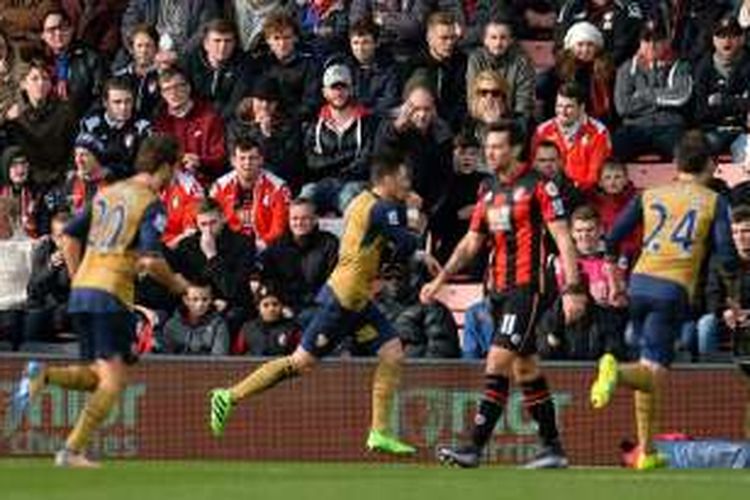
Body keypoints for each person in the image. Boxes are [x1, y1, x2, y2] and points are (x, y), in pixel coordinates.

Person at [208, 152, 438, 456]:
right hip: (343, 299)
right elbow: (406, 243)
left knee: (392, 353)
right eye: (404, 178)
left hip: (357, 298)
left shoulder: (361, 202)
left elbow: (381, 245)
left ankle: (379, 432)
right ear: (388, 179)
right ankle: (228, 396)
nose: (408, 184)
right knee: (300, 363)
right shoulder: (383, 208)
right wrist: (412, 223)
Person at [8, 135, 190, 468]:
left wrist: (78, 277)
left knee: (97, 375)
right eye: (174, 169)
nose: (174, 176)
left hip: (83, 292)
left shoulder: (107, 192)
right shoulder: (150, 202)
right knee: (114, 380)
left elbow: (69, 234)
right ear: (165, 167)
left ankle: (43, 375)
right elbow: (150, 259)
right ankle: (71, 450)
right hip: (111, 295)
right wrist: (177, 284)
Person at [420, 123, 587, 469]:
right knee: (525, 368)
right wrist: (441, 280)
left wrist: (573, 288)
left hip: (527, 289)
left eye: (498, 147)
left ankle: (473, 447)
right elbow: (471, 241)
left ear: (514, 149)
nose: (490, 153)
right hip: (495, 291)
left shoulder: (540, 186)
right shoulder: (488, 189)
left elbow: (564, 238)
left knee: (496, 361)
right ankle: (552, 448)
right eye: (488, 147)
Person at [590, 131, 739, 470]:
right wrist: (732, 296)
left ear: (676, 163)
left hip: (640, 283)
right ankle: (615, 371)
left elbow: (611, 238)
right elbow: (727, 256)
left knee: (650, 365)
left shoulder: (651, 193)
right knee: (652, 374)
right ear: (712, 166)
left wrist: (613, 277)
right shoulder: (714, 201)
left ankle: (646, 451)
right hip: (671, 291)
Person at [612, 19, 692, 161]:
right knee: (616, 146)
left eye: (657, 40)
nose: (652, 46)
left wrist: (642, 95)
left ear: (667, 42)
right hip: (635, 126)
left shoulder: (680, 65)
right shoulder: (626, 68)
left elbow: (681, 97)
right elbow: (623, 107)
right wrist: (662, 99)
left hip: (669, 126)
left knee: (685, 152)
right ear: (640, 43)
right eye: (647, 40)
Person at [302, 63, 375, 215]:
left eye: (343, 87)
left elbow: (365, 161)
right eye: (334, 88)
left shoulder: (368, 122)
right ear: (324, 92)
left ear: (351, 89)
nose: (339, 93)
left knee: (348, 195)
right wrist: (347, 156)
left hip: (356, 182)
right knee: (307, 193)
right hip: (325, 183)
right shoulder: (314, 125)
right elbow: (312, 162)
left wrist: (330, 163)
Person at [260, 197, 339, 322]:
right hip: (285, 307)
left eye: (305, 218)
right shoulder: (277, 246)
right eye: (294, 219)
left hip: (317, 306)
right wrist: (282, 305)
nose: (299, 223)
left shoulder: (330, 243)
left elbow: (333, 282)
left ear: (315, 219)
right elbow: (269, 280)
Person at [210, 137, 291, 248]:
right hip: (228, 247)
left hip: (266, 248)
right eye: (242, 158)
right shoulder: (219, 187)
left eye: (252, 158)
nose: (247, 163)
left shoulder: (279, 187)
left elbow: (279, 227)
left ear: (261, 160)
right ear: (233, 161)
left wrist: (262, 246)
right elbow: (212, 221)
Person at [153, 67, 227, 187]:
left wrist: (200, 161)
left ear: (188, 87)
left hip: (204, 185)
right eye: (167, 89)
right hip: (170, 185)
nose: (173, 93)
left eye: (178, 86)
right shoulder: (160, 122)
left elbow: (221, 158)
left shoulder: (209, 117)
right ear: (162, 94)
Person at [532, 82, 611, 192]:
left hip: (585, 197)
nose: (562, 112)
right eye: (559, 106)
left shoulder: (598, 132)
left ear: (581, 108)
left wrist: (572, 190)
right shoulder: (542, 131)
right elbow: (534, 170)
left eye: (569, 107)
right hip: (547, 195)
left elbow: (595, 176)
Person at [692, 15, 750, 156]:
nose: (727, 41)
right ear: (714, 40)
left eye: (732, 35)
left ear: (741, 38)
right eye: (721, 36)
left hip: (743, 132)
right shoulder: (703, 67)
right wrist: (739, 102)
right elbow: (700, 112)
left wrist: (721, 100)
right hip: (712, 130)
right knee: (698, 154)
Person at [465, 17, 535, 131]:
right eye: (493, 38)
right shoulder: (476, 59)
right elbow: (473, 98)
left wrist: (502, 120)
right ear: (485, 40)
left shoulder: (521, 62)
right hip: (480, 119)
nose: (498, 43)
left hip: (513, 120)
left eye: (503, 38)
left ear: (511, 40)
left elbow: (523, 105)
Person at [78, 77, 152, 180]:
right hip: (94, 181)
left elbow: (143, 167)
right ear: (105, 103)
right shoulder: (90, 124)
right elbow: (81, 157)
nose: (124, 107)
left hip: (128, 184)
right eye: (117, 102)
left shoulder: (142, 126)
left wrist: (110, 171)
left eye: (128, 101)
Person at [181, 18, 248, 120]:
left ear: (235, 44)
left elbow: (235, 102)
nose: (222, 46)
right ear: (206, 44)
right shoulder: (190, 61)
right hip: (193, 117)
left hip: (226, 119)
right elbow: (185, 96)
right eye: (217, 41)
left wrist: (213, 121)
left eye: (228, 41)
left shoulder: (244, 63)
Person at [346, 17, 400, 118]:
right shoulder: (345, 68)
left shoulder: (389, 69)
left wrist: (364, 112)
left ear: (376, 43)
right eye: (355, 43)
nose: (360, 49)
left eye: (365, 42)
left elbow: (389, 102)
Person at [161, 279, 230, 355]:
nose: (200, 304)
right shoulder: (172, 325)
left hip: (208, 366)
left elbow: (219, 359)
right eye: (195, 299)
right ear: (185, 300)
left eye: (205, 299)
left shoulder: (218, 325)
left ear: (211, 300)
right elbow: (166, 358)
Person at [239, 284, 301, 356]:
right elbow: (238, 355)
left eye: (275, 304)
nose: (271, 309)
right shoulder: (247, 328)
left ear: (282, 306)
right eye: (266, 305)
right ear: (258, 307)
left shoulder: (292, 329)